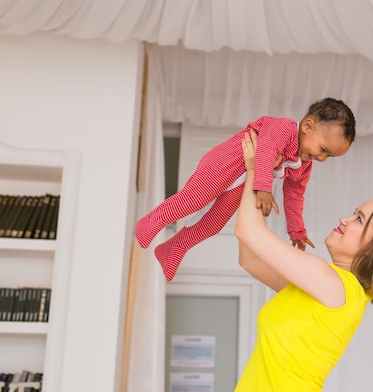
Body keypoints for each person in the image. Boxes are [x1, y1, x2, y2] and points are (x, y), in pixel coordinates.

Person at [233, 130, 373, 392]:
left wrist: (258, 171)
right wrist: (260, 175)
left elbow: (248, 232)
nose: (345, 219)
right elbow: (250, 257)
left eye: (358, 219)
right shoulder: (327, 289)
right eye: (354, 213)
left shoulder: (333, 285)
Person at [135, 97, 356, 281]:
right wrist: (264, 187)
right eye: (323, 149)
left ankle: (172, 249)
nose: (322, 158)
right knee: (194, 199)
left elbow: (294, 195)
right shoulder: (285, 129)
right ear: (308, 126)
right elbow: (266, 150)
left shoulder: (303, 165)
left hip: (240, 185)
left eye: (329, 156)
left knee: (214, 223)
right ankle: (150, 222)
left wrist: (297, 231)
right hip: (227, 162)